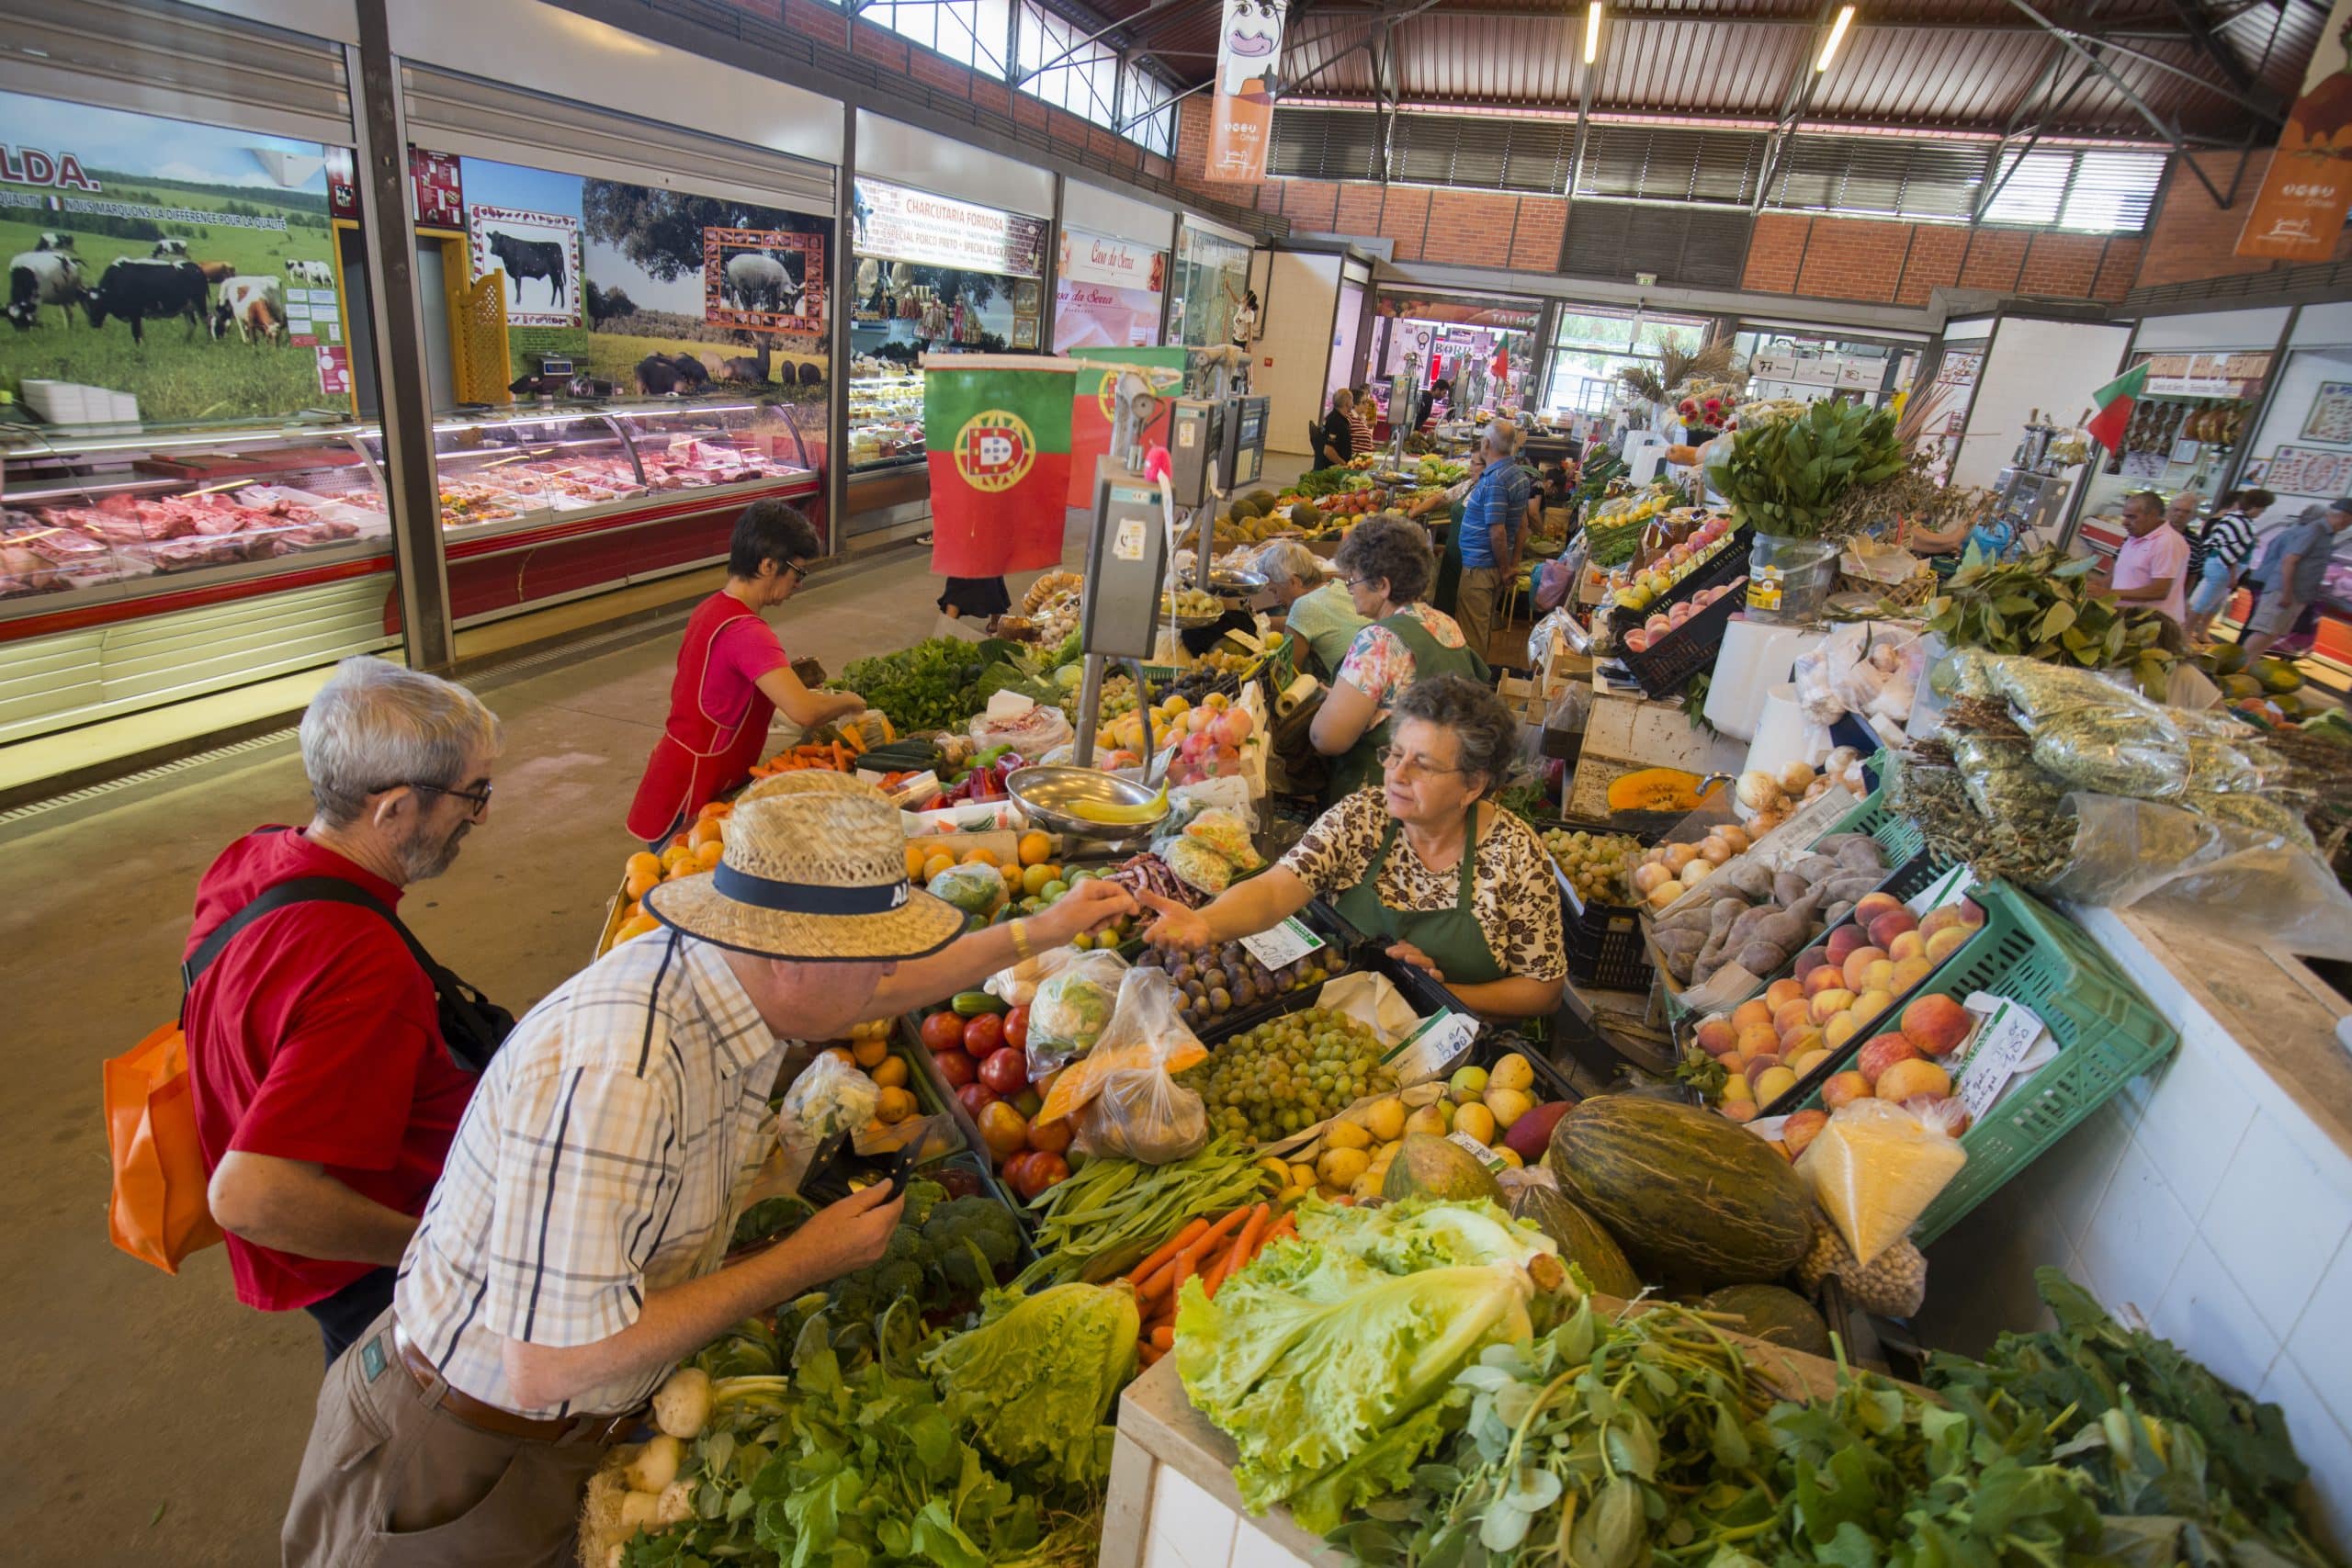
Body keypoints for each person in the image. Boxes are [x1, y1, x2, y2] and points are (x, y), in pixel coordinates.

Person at [280, 778, 1137, 1566]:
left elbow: (879, 990)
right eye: (875, 953)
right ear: (792, 958)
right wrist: (801, 1261)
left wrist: (1040, 927)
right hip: (462, 1459)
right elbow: (548, 1359)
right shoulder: (626, 1073)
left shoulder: (727, 978)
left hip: (540, 1429)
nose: (889, 976)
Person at [184, 657, 505, 1366]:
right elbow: (249, 1195)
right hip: (371, 1272)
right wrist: (433, 1245)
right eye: (472, 794)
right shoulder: (361, 967)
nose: (479, 816)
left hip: (317, 1253)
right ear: (392, 808)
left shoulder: (254, 856)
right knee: (398, 1431)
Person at [1143, 676, 1566, 1020]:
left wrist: (1436, 993)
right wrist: (1207, 923)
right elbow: (1275, 890)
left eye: (1423, 764)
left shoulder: (1515, 857)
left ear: (1472, 786)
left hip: (1459, 1051)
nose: (1397, 774)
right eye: (1395, 754)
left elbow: (1541, 991)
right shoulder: (1363, 817)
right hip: (1344, 1024)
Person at [627, 500, 865, 847]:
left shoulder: (712, 608)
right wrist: (847, 701)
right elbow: (805, 712)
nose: (798, 585)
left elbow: (725, 685)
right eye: (797, 573)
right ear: (769, 565)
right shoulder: (749, 632)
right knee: (677, 878)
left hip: (674, 775)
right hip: (695, 793)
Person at [1311, 513, 1487, 800]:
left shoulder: (1379, 640)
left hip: (1382, 798)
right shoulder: (1444, 623)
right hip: (1435, 793)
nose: (1350, 589)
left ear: (1383, 585)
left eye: (1353, 579)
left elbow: (1329, 739)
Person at [1453, 420, 1538, 663]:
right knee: (1481, 628)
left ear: (1487, 443)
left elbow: (1497, 531)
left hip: (1480, 568)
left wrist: (1505, 568)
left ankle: (1471, 691)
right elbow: (1523, 526)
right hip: (1494, 566)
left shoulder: (1495, 480)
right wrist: (1512, 563)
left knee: (1472, 636)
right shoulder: (1519, 476)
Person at [2240, 499, 2352, 660]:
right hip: (2285, 593)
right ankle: (2237, 669)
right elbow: (2289, 561)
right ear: (2343, 517)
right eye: (2349, 519)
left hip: (2298, 595)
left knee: (2272, 635)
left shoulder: (2328, 534)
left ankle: (2247, 667)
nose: (2348, 524)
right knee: (2263, 633)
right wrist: (2286, 593)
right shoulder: (2315, 530)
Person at [1250, 537, 1367, 680]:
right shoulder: (1337, 585)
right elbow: (1303, 622)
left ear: (1294, 582)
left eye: (1274, 591)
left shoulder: (1304, 606)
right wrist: (1258, 621)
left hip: (1346, 689)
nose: (1276, 599)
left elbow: (1287, 674)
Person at [2185, 488, 2273, 644]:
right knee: (2204, 602)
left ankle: (2200, 632)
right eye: (2262, 509)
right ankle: (2187, 633)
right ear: (2256, 507)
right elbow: (2231, 551)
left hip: (2221, 567)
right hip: (2222, 568)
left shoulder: (2235, 519)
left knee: (2215, 602)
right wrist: (2233, 575)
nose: (2261, 513)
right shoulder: (2238, 521)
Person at [2100, 490, 2189, 623]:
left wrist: (2109, 594)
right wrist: (2099, 586)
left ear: (2152, 515)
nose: (2124, 522)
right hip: (2127, 617)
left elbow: (2159, 591)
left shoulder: (2168, 542)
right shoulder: (2135, 536)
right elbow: (2125, 573)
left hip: (2153, 623)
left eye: (2132, 517)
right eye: (2125, 516)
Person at [1318, 387, 1356, 467]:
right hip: (1334, 467)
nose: (1353, 403)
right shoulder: (1336, 422)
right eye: (1352, 400)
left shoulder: (1337, 418)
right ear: (1347, 403)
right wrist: (1344, 465)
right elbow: (1328, 450)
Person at [1347, 384, 1377, 457]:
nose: (1367, 405)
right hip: (1355, 461)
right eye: (1364, 402)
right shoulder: (1349, 418)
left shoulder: (1361, 419)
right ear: (1355, 405)